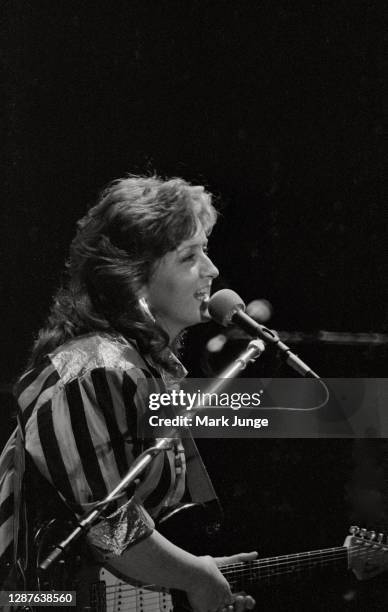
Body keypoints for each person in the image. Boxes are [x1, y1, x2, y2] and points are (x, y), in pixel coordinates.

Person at [0, 175, 257, 612]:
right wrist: (194, 576)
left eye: (206, 251)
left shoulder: (139, 369)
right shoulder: (92, 368)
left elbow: (121, 535)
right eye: (190, 256)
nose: (212, 270)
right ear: (133, 278)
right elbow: (108, 527)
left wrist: (187, 571)